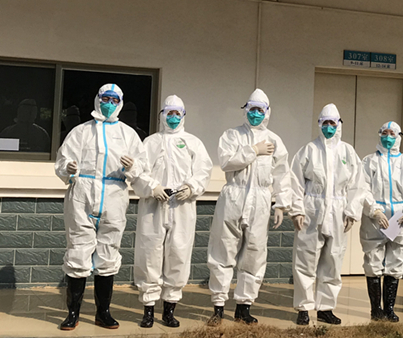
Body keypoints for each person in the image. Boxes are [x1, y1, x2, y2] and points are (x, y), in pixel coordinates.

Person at [54, 84, 159, 331]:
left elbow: (142, 168)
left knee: (108, 252)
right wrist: (68, 169)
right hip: (82, 193)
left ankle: (103, 313)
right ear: (97, 99)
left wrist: (132, 167)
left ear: (120, 103)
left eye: (114, 100)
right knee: (78, 251)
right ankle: (73, 313)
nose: (109, 104)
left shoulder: (128, 135)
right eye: (105, 98)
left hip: (114, 194)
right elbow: (63, 160)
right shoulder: (81, 132)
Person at [207, 89, 291, 325]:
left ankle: (244, 307)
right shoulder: (232, 135)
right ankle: (218, 306)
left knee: (254, 253)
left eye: (260, 110)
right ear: (245, 110)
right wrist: (253, 151)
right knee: (223, 251)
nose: (256, 114)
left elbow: (282, 173)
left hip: (261, 201)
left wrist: (281, 203)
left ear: (267, 112)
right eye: (252, 109)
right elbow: (226, 162)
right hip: (233, 196)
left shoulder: (275, 140)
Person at [134, 95, 213, 328]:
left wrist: (191, 188)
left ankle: (169, 309)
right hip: (153, 206)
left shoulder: (193, 143)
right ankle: (148, 309)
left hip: (182, 206)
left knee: (179, 254)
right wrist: (152, 187)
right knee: (149, 254)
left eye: (177, 113)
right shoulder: (150, 142)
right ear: (162, 115)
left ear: (184, 115)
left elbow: (203, 171)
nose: (173, 117)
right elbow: (138, 171)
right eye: (169, 113)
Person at [290, 104, 366, 326]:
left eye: (333, 123)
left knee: (333, 261)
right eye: (325, 123)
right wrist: (297, 209)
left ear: (339, 124)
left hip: (338, 211)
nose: (329, 127)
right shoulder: (309, 150)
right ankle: (304, 308)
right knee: (305, 260)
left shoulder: (348, 152)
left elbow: (358, 185)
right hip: (312, 210)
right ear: (319, 124)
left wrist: (352, 212)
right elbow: (295, 181)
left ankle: (325, 308)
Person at [360, 121, 403, 322]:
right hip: (375, 220)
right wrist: (374, 211)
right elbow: (362, 188)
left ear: (399, 137)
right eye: (384, 133)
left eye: (392, 133)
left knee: (396, 264)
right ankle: (375, 309)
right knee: (373, 264)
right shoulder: (369, 162)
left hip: (400, 220)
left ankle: (390, 309)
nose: (388, 137)